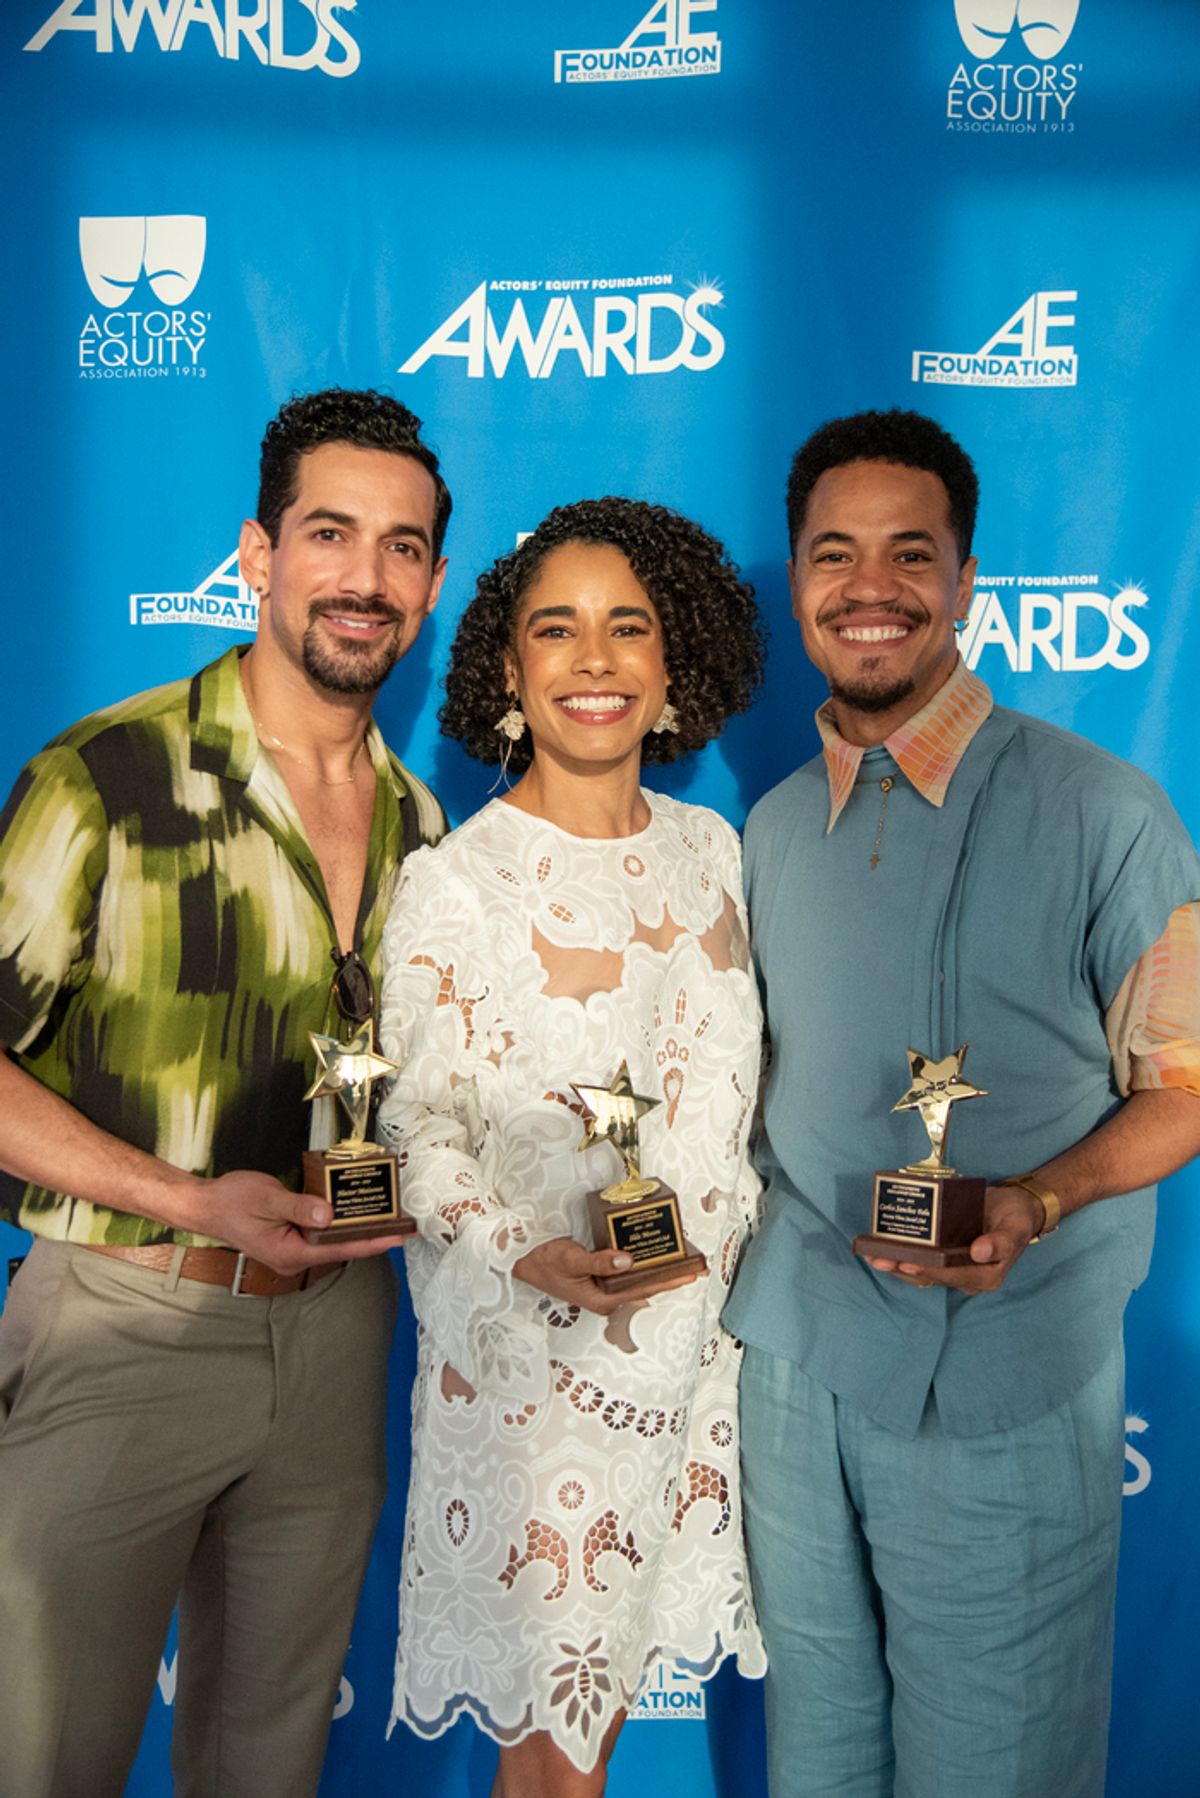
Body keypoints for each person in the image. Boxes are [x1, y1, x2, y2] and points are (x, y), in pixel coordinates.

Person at [725, 408, 1200, 1797]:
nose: (869, 588)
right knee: (818, 1758)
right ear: (800, 582)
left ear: (968, 580)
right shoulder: (762, 833)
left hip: (1001, 1379)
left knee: (996, 1765)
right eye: (834, 554)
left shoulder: (1108, 808)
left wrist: (1041, 1198)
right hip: (797, 1361)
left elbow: (1185, 1087)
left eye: (908, 553)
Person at [0, 388, 450, 1798]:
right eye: (330, 533)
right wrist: (189, 1197)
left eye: (402, 546)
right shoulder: (103, 777)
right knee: (44, 1754)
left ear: (431, 582)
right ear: (256, 553)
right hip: (125, 1323)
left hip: (335, 1343)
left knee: (267, 1767)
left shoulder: (424, 827)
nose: (364, 578)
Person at [376, 497, 767, 1796]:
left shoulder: (716, 854)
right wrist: (523, 1250)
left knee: (586, 1745)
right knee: (547, 1757)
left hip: (693, 1365)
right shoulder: (460, 881)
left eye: (626, 627)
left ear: (671, 664)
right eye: (558, 629)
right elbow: (415, 1135)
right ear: (508, 667)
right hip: (539, 1372)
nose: (593, 659)